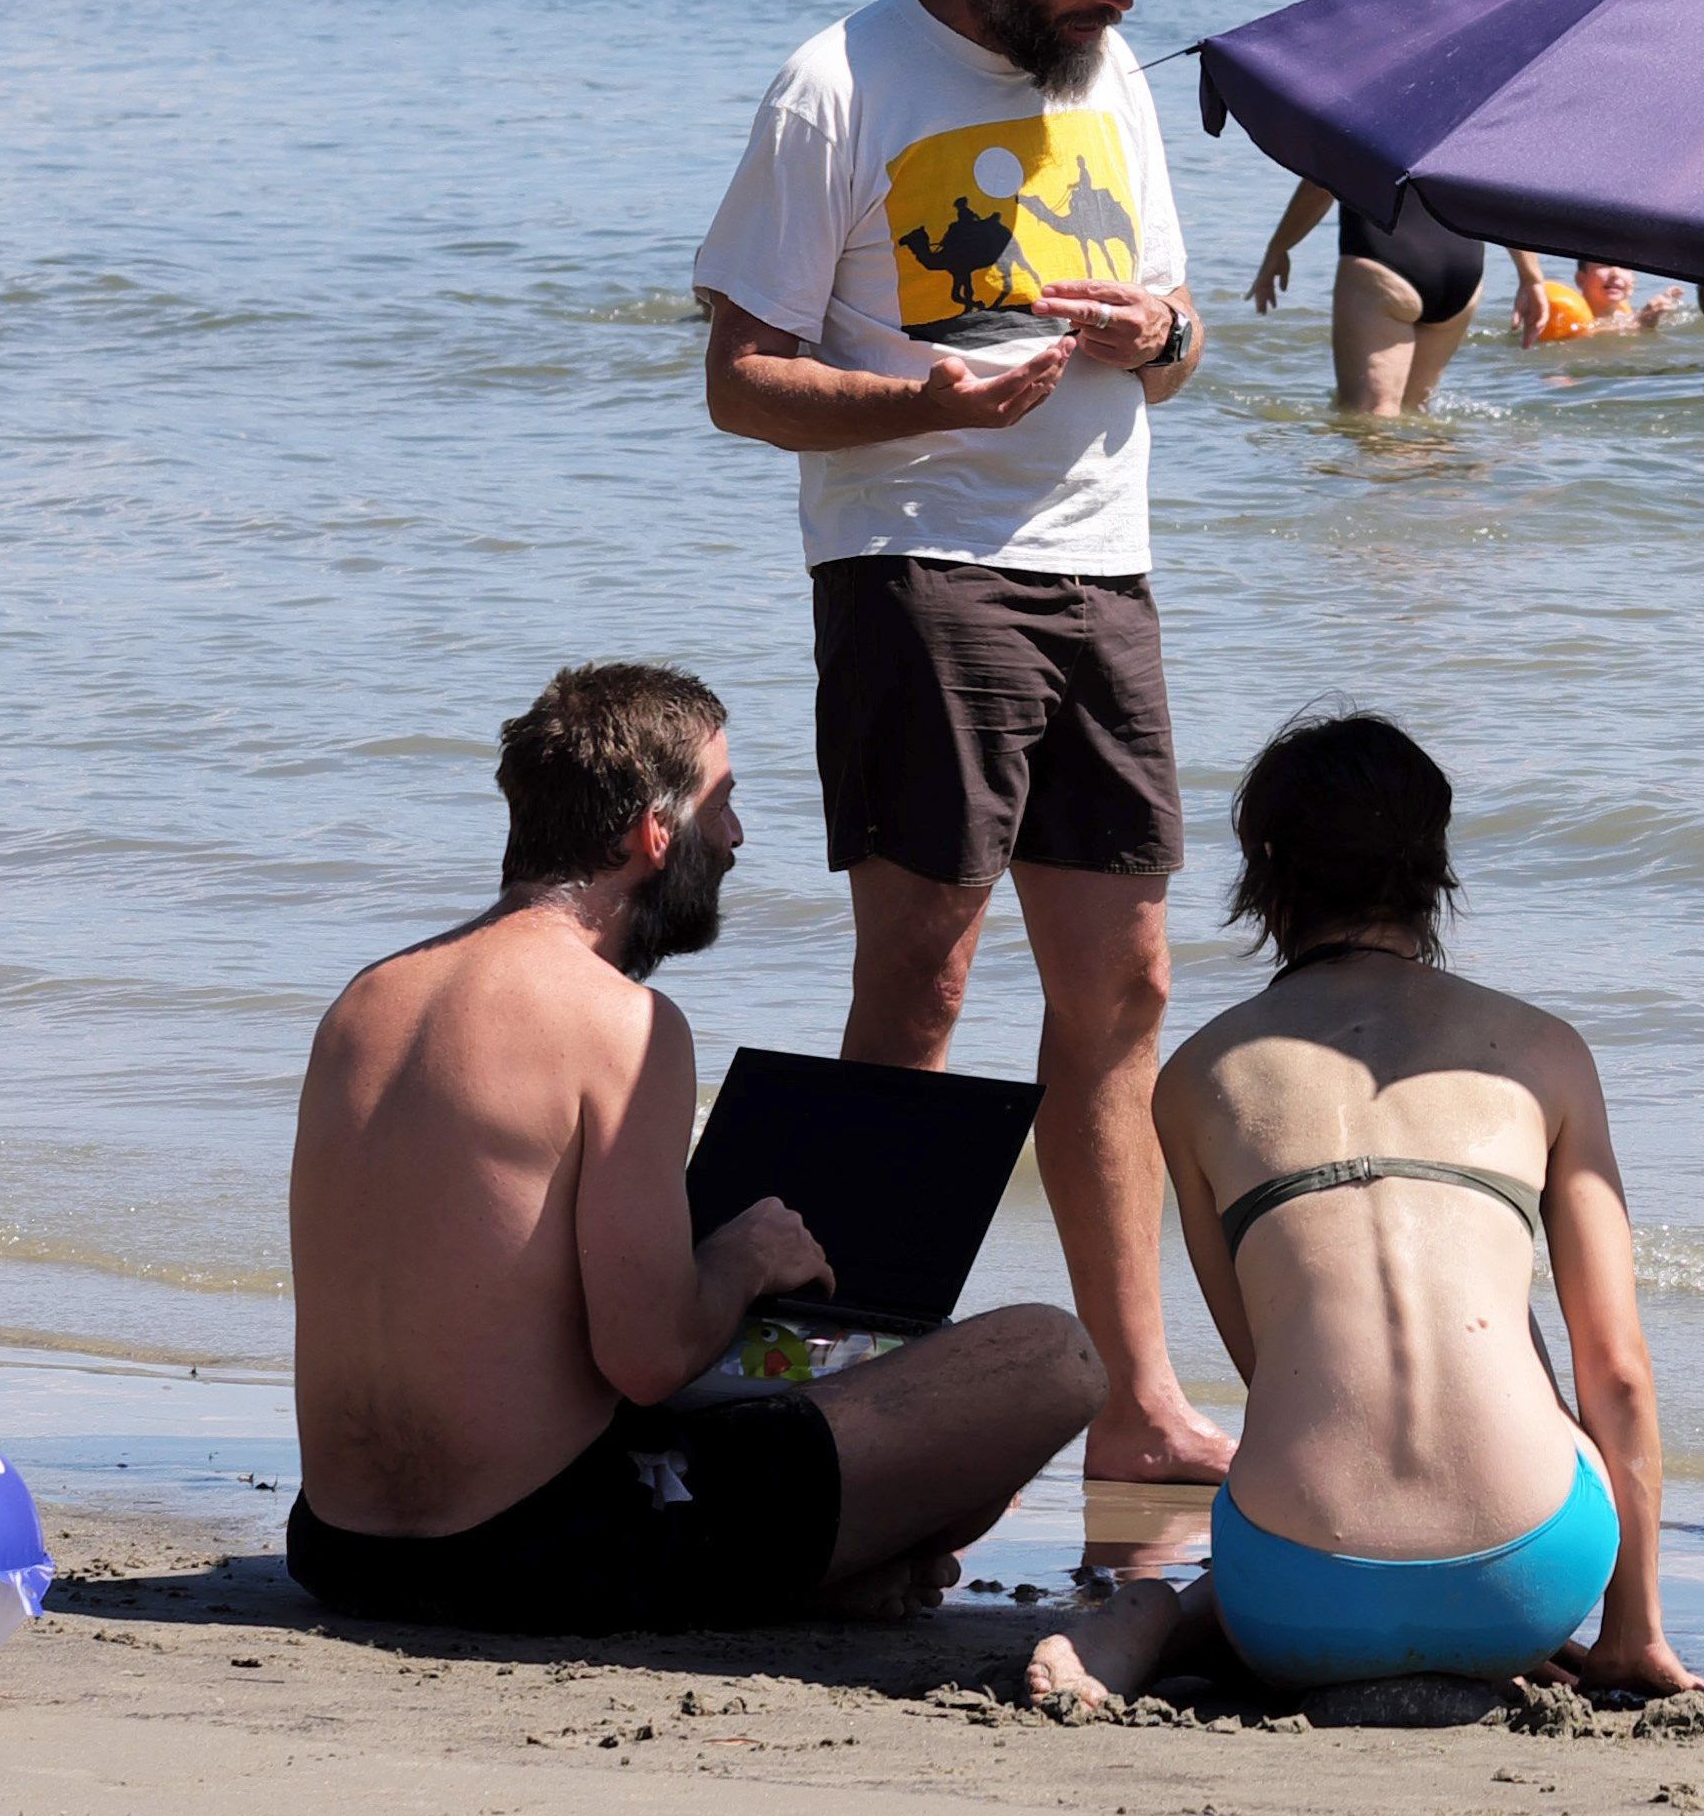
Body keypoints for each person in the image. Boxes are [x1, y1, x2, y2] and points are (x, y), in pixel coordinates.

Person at [693, 0, 1230, 1488]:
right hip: (913, 559)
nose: (1118, 7)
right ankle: (852, 1402)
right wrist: (914, 398)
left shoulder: (1111, 78)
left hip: (1105, 567)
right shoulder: (834, 87)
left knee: (1128, 982)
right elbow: (740, 379)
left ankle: (1138, 1406)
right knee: (922, 981)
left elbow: (1182, 340)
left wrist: (1165, 333)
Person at [282, 663, 1099, 1633]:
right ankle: (821, 1581)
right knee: (1052, 1357)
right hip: (532, 1557)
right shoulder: (624, 1024)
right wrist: (744, 1259)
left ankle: (828, 1573)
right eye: (725, 804)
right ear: (653, 835)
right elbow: (647, 1355)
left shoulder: (366, 1000)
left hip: (337, 1545)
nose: (740, 837)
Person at [1024, 713, 1696, 1702]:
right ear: (1436, 863)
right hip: (1528, 1586)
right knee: (1513, 1320)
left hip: (1295, 1600)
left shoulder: (1198, 1075)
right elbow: (1623, 1379)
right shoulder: (1547, 1049)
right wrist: (1632, 1630)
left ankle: (1155, 1616)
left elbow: (1273, 1365)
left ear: (1262, 870)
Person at [1241, 0, 1488, 416]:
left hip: (1384, 268)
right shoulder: (1471, 69)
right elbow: (1495, 173)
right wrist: (1532, 276)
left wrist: (1279, 247)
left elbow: (1324, 179)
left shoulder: (1365, 74)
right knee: (1418, 425)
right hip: (1466, 272)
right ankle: (1452, 496)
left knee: (1368, 430)